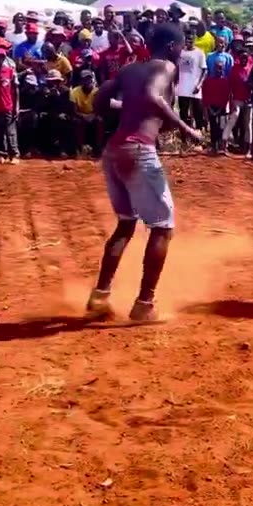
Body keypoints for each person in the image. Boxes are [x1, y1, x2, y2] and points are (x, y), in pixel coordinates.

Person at [86, 23, 203, 324]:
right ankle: (144, 304)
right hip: (138, 151)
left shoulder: (128, 69)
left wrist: (126, 109)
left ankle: (99, 296)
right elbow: (153, 95)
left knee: (126, 225)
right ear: (172, 46)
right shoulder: (166, 66)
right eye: (181, 46)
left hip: (114, 152)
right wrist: (186, 128)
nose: (182, 51)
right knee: (162, 227)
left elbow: (99, 101)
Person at [175, 26, 206, 132]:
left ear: (195, 40)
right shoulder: (180, 53)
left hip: (195, 89)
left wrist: (199, 85)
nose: (190, 41)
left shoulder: (199, 53)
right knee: (183, 114)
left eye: (192, 39)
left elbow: (204, 70)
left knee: (198, 114)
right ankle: (185, 136)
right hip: (182, 89)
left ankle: (198, 137)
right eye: (188, 39)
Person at [201, 50, 231, 155]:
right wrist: (208, 108)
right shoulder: (208, 81)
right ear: (214, 68)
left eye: (221, 68)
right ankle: (213, 146)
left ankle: (222, 147)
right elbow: (205, 95)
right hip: (211, 107)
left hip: (221, 109)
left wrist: (219, 110)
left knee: (222, 127)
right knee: (213, 127)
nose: (219, 70)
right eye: (217, 68)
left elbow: (226, 97)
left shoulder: (226, 82)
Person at [70, 69, 103, 156]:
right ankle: (80, 148)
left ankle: (97, 149)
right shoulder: (75, 91)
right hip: (80, 115)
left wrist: (93, 115)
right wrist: (83, 116)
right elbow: (74, 110)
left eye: (89, 79)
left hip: (93, 115)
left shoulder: (97, 91)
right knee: (77, 122)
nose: (87, 81)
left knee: (100, 121)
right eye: (85, 79)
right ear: (81, 81)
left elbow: (99, 109)